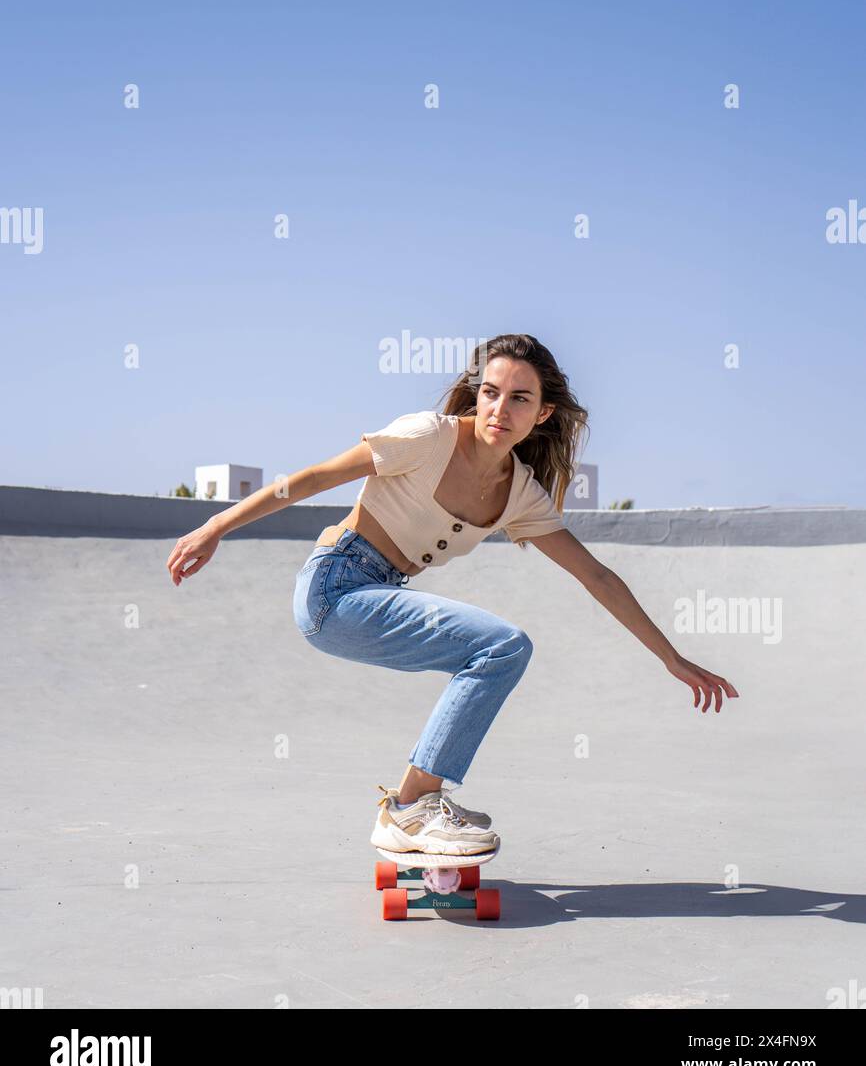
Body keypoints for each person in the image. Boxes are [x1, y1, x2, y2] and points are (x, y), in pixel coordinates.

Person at [166, 333, 739, 858]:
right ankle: (412, 806)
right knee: (503, 646)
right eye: (490, 392)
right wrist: (215, 527)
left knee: (498, 651)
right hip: (334, 587)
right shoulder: (428, 437)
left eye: (519, 399)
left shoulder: (520, 494)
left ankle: (414, 803)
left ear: (542, 414)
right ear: (475, 395)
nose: (499, 409)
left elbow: (598, 577)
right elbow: (313, 478)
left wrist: (671, 658)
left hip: (376, 593)